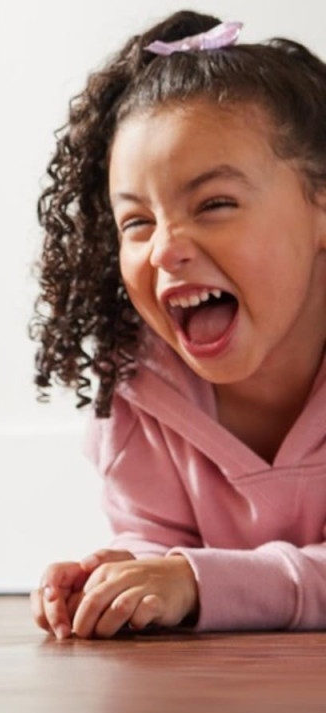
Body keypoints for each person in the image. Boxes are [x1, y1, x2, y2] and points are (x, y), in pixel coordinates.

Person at [29, 10, 326, 638]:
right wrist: (121, 573)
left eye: (214, 204)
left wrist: (197, 580)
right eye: (137, 222)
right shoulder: (137, 387)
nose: (165, 249)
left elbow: (191, 574)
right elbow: (159, 541)